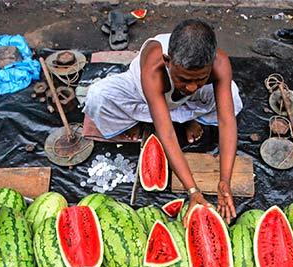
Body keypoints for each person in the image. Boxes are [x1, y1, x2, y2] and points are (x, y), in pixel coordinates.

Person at [83, 19, 243, 223]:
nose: (192, 86)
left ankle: (185, 118)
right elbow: (166, 133)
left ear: (211, 64)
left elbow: (227, 120)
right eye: (184, 79)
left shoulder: (219, 64)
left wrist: (224, 181)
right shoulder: (153, 66)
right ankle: (175, 119)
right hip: (143, 94)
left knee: (234, 100)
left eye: (200, 78)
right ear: (168, 61)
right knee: (98, 97)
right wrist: (193, 190)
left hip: (181, 102)